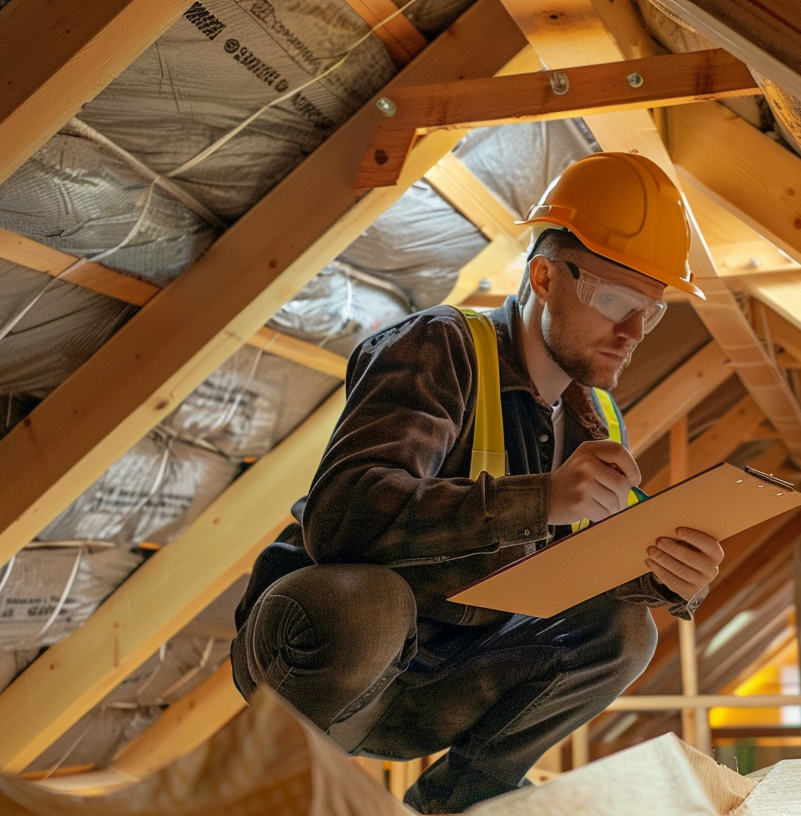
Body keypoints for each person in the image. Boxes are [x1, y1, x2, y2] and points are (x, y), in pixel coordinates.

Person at [231, 152, 726, 813]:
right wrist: (542, 498)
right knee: (366, 600)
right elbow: (342, 517)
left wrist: (665, 575)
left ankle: (456, 803)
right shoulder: (441, 347)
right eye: (614, 299)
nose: (633, 332)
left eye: (651, 311)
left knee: (628, 629)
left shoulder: (597, 417)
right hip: (321, 661)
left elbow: (567, 572)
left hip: (441, 685)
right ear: (544, 277)